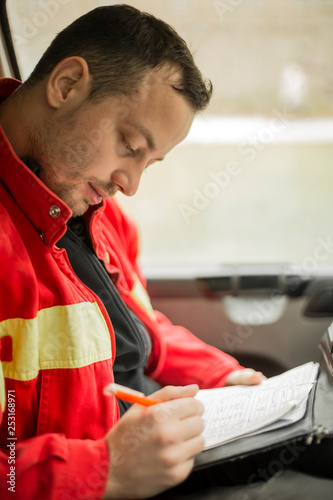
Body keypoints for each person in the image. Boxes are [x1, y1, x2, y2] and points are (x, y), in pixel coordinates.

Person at [0, 5, 265, 499]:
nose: (132, 184)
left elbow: (141, 328)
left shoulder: (97, 211)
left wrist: (223, 376)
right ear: (66, 85)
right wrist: (106, 469)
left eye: (152, 162)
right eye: (128, 144)